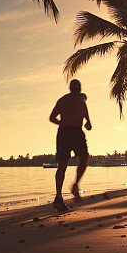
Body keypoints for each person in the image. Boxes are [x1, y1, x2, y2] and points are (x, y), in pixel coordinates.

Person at [48, 79, 91, 212]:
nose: (74, 92)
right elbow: (52, 117)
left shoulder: (81, 103)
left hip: (77, 132)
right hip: (65, 133)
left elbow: (88, 123)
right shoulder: (63, 101)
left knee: (84, 158)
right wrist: (63, 123)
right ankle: (59, 197)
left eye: (76, 90)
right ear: (71, 89)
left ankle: (75, 186)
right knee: (62, 165)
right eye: (73, 90)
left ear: (78, 90)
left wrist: (87, 124)